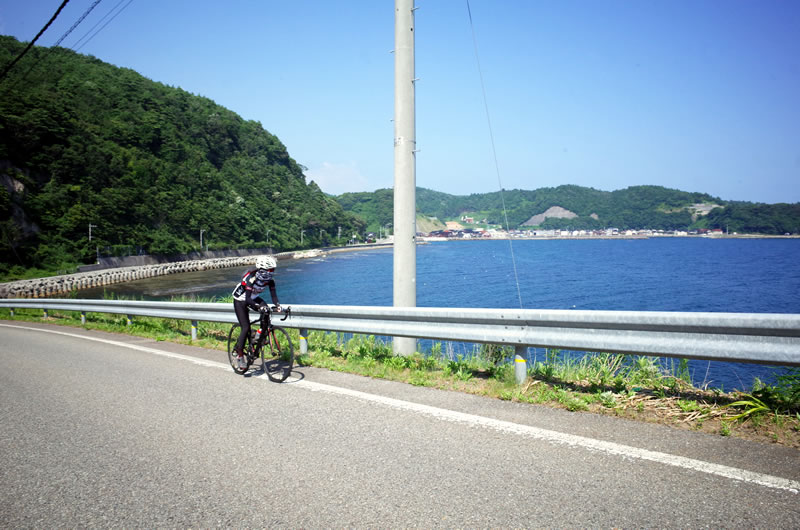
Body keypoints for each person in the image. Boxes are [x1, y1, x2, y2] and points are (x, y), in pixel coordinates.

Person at [231, 255, 282, 370]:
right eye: (270, 270)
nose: (272, 272)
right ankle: (240, 356)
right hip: (241, 299)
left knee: (267, 311)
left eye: (273, 270)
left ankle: (258, 335)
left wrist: (278, 306)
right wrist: (258, 306)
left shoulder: (270, 281)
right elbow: (248, 299)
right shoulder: (251, 278)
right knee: (245, 327)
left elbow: (274, 296)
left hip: (253, 297)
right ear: (263, 270)